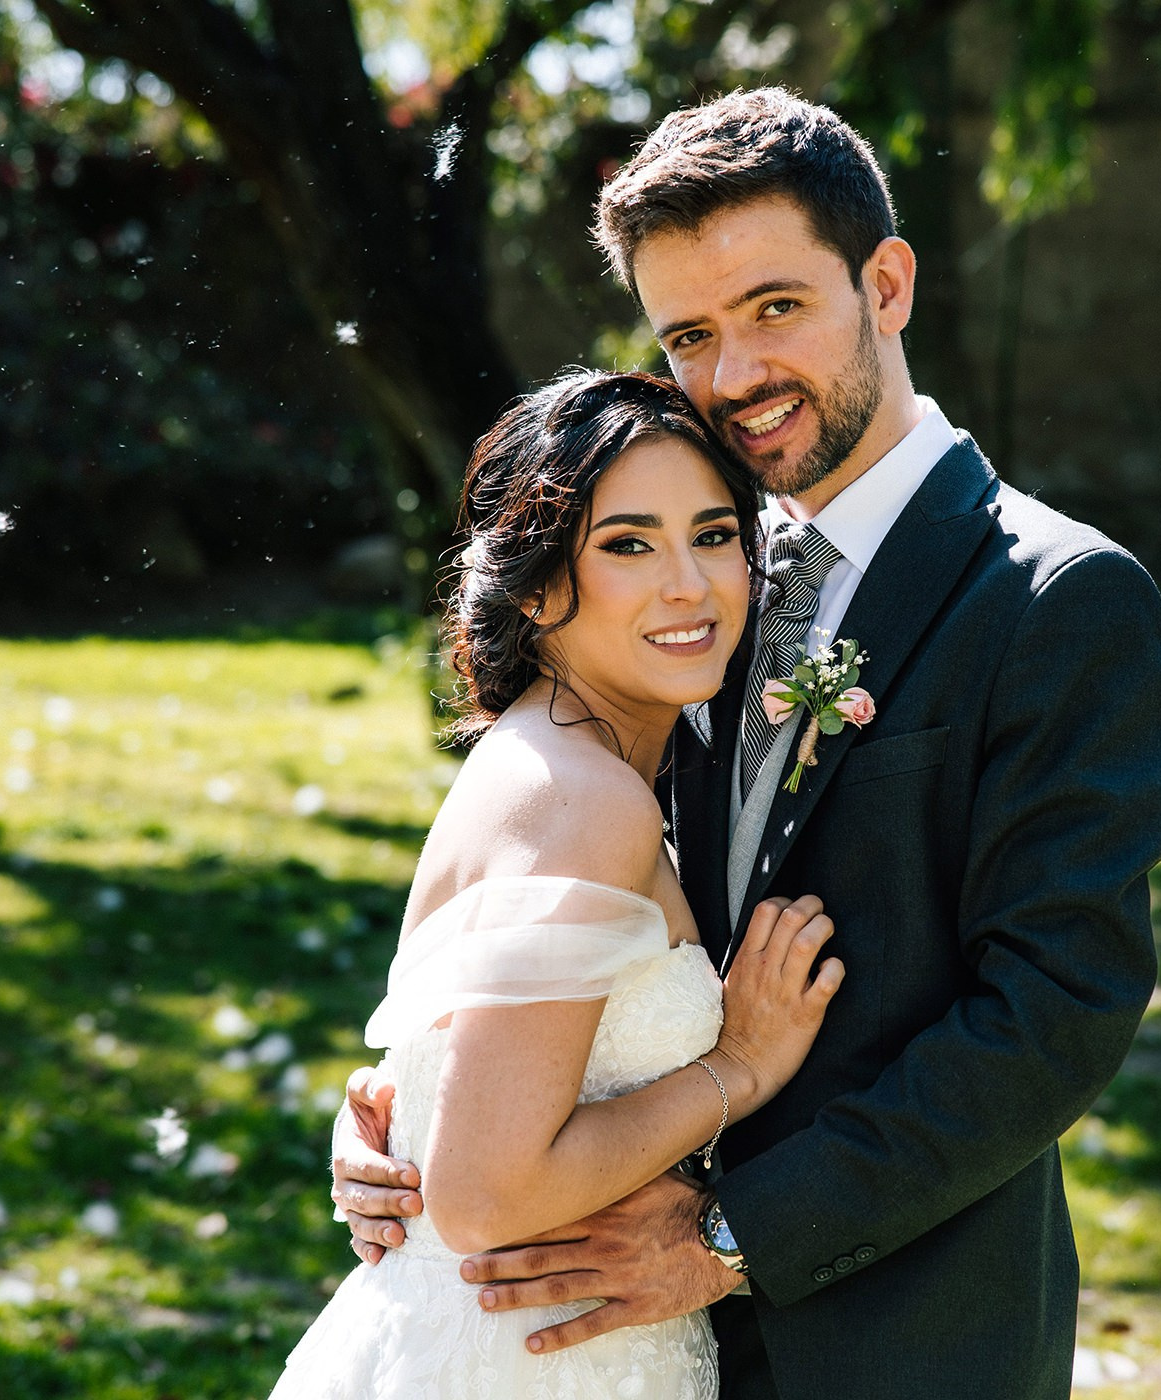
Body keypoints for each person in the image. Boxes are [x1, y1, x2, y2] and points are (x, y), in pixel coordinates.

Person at [335, 88, 1161, 1397]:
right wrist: (420, 1113)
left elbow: (1053, 1018)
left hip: (906, 1330)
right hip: (620, 1328)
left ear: (887, 284)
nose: (733, 376)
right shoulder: (692, 588)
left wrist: (734, 1239)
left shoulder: (1057, 602)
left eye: (776, 308)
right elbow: (552, 892)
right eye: (690, 334)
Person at [267, 369, 845, 1399]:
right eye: (628, 544)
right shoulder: (586, 801)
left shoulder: (545, 762)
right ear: (536, 583)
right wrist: (740, 1067)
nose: (688, 583)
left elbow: (453, 1074)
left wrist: (384, 1129)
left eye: (713, 535)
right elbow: (487, 1193)